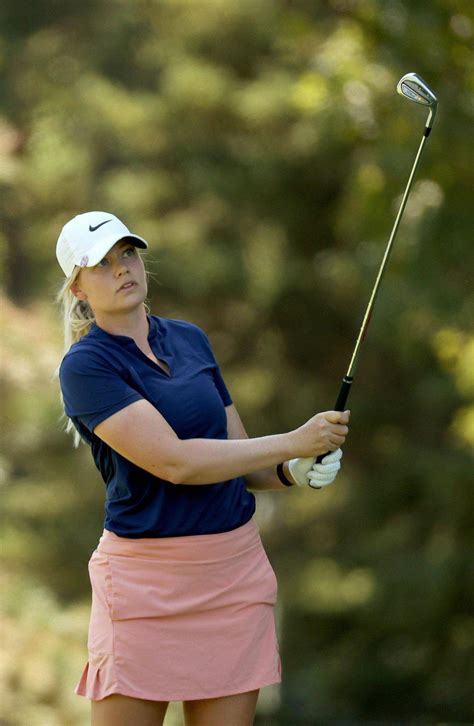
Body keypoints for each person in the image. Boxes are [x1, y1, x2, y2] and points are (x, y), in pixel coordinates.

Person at [55, 211, 350, 726]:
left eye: (127, 254)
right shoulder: (86, 367)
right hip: (147, 583)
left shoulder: (189, 339)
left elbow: (234, 453)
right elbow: (176, 462)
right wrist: (292, 441)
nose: (122, 268)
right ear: (78, 288)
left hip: (232, 572)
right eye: (100, 264)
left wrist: (289, 470)